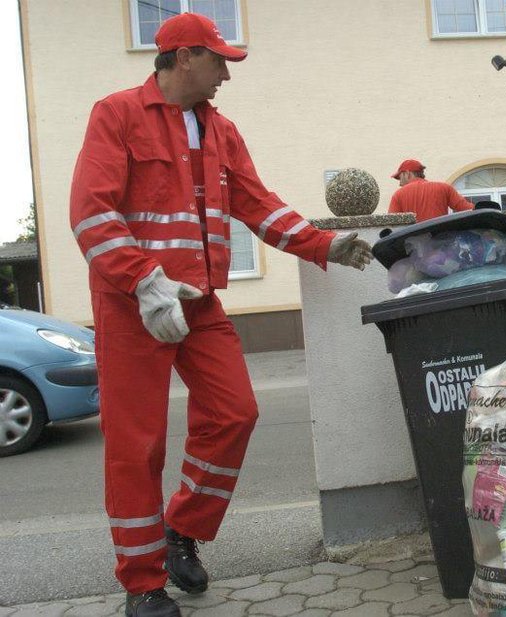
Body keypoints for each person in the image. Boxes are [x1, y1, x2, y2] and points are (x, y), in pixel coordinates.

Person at [69, 13, 371, 617]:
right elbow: (90, 214)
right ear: (183, 58)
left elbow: (256, 203)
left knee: (235, 413)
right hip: (134, 306)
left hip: (198, 300)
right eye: (219, 62)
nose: (226, 76)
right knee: (137, 444)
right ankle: (142, 582)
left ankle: (182, 529)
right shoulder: (117, 114)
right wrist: (142, 282)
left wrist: (321, 243)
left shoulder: (222, 131)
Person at [387, 159, 474, 222]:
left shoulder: (398, 195)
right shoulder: (444, 188)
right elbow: (470, 209)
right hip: (441, 243)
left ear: (407, 173)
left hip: (412, 244)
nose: (400, 183)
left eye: (400, 177)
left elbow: (391, 224)